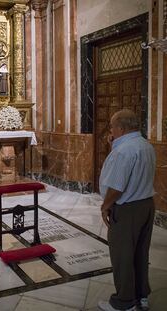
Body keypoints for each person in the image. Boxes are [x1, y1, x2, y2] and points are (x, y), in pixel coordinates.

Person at [98, 109, 156, 311]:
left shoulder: (123, 151)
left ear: (121, 128)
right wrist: (111, 145)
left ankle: (124, 303)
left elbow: (116, 187)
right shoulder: (144, 145)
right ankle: (141, 296)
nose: (110, 130)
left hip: (127, 208)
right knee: (140, 253)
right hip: (146, 205)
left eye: (112, 126)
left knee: (122, 256)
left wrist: (105, 206)